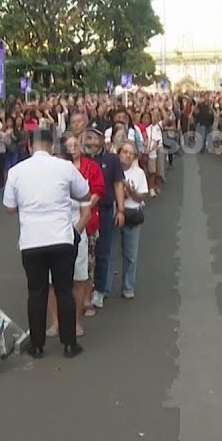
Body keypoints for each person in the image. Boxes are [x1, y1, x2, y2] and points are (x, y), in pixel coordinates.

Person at [3, 129, 90, 359]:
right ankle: (70, 344)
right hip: (61, 237)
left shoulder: (16, 172)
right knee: (64, 290)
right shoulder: (65, 167)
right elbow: (84, 193)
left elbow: (9, 207)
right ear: (52, 147)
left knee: (36, 292)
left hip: (32, 240)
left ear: (30, 147)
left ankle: (37, 345)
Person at [48, 134, 102, 339]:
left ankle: (76, 322)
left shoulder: (79, 183)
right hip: (52, 236)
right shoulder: (46, 184)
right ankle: (56, 322)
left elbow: (86, 211)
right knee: (53, 281)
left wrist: (74, 235)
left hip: (75, 235)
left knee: (78, 280)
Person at [84, 127, 126, 313]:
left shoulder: (111, 159)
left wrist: (121, 210)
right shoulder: (80, 159)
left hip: (106, 210)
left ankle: (99, 289)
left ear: (101, 140)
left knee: (103, 251)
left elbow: (118, 184)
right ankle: (84, 289)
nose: (89, 142)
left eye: (93, 138)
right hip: (84, 211)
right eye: (87, 138)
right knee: (83, 252)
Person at [118, 140, 149, 299]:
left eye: (131, 153)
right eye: (125, 152)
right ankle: (103, 288)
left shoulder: (139, 173)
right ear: (119, 153)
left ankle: (128, 286)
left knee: (130, 254)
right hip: (115, 214)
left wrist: (130, 190)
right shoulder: (113, 170)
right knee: (109, 254)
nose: (128, 155)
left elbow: (140, 197)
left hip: (132, 215)